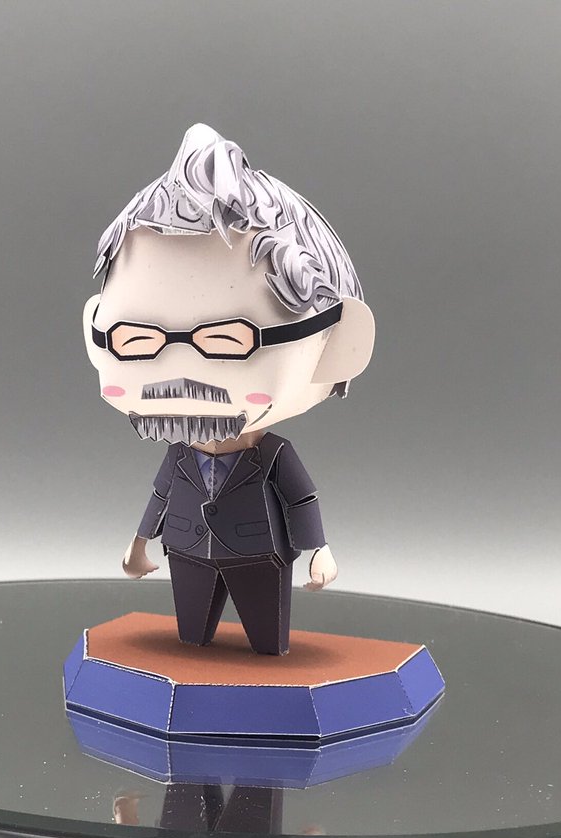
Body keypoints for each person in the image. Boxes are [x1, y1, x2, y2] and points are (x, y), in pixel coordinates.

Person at [82, 124, 375, 655]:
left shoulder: (273, 455)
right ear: (95, 332)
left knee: (267, 642)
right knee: (190, 642)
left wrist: (319, 549)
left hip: (259, 552)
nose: (178, 370)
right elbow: (160, 496)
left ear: (340, 343)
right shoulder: (180, 454)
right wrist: (139, 543)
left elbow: (301, 498)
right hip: (186, 549)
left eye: (226, 341)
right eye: (135, 339)